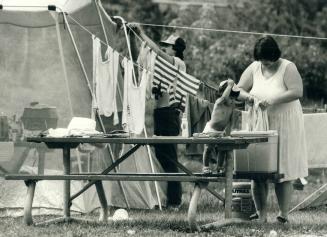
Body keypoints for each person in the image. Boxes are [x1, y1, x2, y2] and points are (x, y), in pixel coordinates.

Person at [237, 35, 308, 223]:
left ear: (275, 55)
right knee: (258, 170)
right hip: (259, 124)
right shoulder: (254, 68)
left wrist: (273, 100)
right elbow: (238, 90)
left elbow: (297, 91)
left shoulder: (288, 67)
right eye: (262, 60)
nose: (265, 63)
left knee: (282, 171)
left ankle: (283, 215)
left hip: (284, 123)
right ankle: (261, 215)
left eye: (268, 59)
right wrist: (250, 98)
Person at [128, 23, 186, 209]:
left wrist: (142, 33)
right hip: (161, 113)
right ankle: (169, 197)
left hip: (170, 114)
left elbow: (158, 53)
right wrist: (132, 36)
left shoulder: (177, 63)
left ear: (175, 50)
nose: (163, 48)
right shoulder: (161, 65)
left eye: (167, 46)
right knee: (162, 156)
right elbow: (137, 57)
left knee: (168, 158)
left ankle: (175, 201)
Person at [202, 79, 243, 174]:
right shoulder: (219, 102)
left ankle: (219, 167)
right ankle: (205, 166)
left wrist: (230, 132)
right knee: (208, 148)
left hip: (221, 131)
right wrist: (229, 86)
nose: (232, 101)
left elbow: (231, 120)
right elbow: (224, 97)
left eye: (234, 99)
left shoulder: (231, 106)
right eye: (230, 98)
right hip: (211, 129)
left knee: (223, 149)